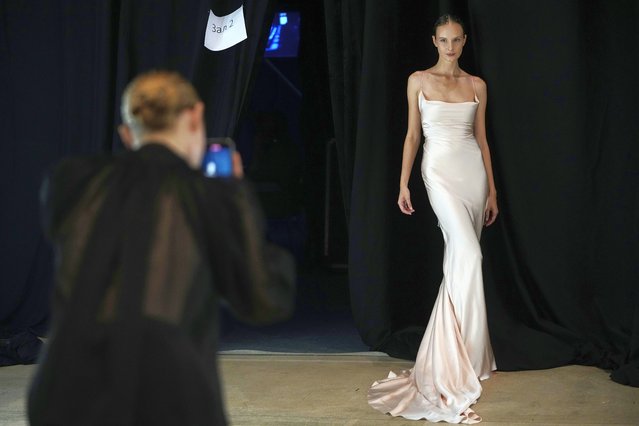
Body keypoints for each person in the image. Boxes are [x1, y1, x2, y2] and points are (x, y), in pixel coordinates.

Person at [28, 70, 295, 425]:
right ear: (196, 115)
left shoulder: (70, 181)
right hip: (170, 398)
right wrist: (238, 196)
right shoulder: (211, 194)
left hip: (62, 393)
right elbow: (265, 301)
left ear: (127, 134)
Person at [368, 14, 498, 424]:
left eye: (456, 40)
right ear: (434, 41)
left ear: (463, 42)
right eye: (444, 40)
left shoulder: (477, 85)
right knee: (469, 256)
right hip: (438, 171)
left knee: (459, 263)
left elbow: (482, 139)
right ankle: (452, 361)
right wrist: (403, 183)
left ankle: (467, 356)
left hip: (472, 173)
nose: (450, 47)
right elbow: (412, 136)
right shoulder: (418, 80)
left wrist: (492, 189)